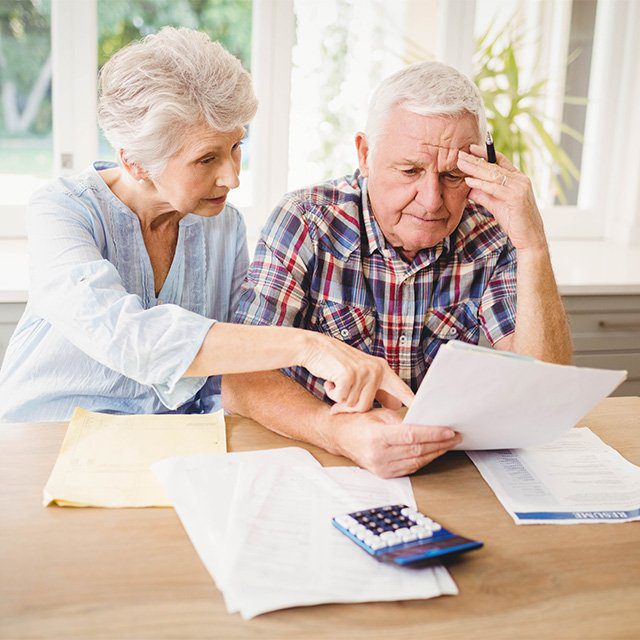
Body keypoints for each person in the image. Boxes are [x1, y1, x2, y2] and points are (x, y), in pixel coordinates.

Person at [0, 27, 413, 422]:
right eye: (206, 159)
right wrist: (308, 347)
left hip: (166, 444)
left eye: (236, 147)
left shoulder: (223, 224)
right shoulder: (61, 210)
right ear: (136, 162)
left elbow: (232, 362)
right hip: (45, 434)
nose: (232, 177)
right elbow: (128, 338)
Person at [223, 61, 573, 478]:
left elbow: (541, 387)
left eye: (453, 175)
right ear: (365, 155)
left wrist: (532, 245)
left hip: (442, 470)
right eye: (410, 171)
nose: (431, 200)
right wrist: (338, 432)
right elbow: (239, 380)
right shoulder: (306, 220)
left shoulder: (492, 233)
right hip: (317, 460)